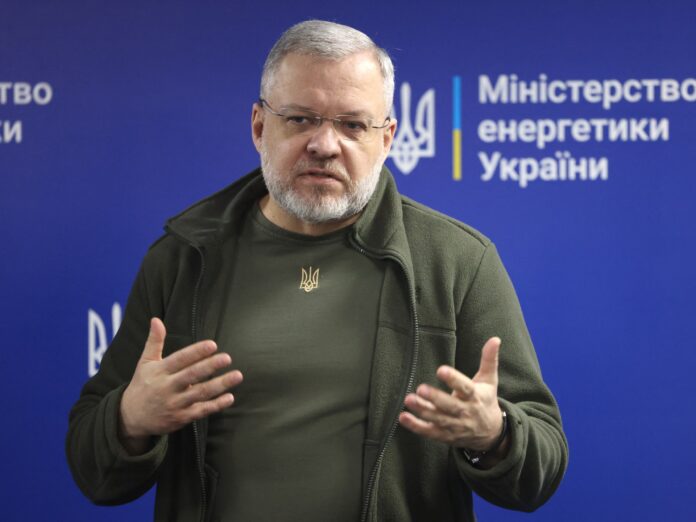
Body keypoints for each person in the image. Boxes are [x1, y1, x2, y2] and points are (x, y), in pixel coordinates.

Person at [66, 20, 568, 522]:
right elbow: (94, 471)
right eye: (301, 119)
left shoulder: (459, 262)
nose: (324, 144)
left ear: (387, 138)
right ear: (259, 126)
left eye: (353, 125)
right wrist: (130, 421)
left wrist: (494, 436)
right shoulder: (182, 258)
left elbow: (539, 473)